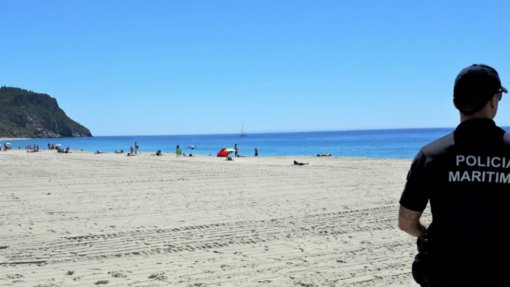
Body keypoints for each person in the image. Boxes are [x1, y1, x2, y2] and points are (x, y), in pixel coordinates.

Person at [398, 64, 509, 286]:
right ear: (493, 100)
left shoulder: (431, 154)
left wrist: (427, 235)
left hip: (446, 271)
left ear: (455, 103)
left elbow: (406, 221)